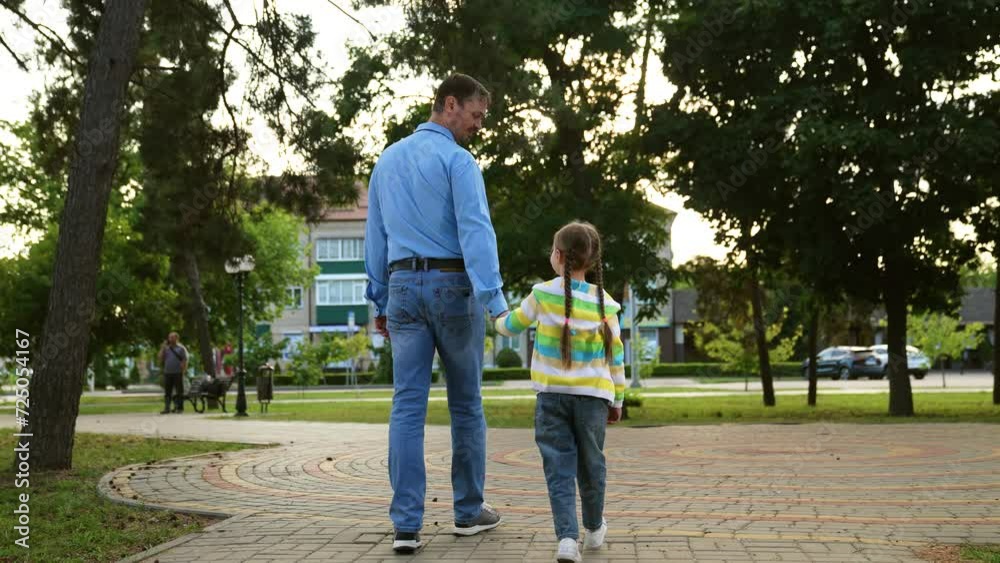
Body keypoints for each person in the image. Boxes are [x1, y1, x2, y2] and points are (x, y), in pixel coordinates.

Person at [364, 73, 508, 554]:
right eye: (475, 115)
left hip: (403, 285)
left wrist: (380, 297)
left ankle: (406, 524)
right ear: (450, 104)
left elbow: (376, 237)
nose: (477, 126)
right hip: (452, 286)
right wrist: (495, 300)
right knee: (465, 403)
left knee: (407, 404)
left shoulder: (386, 160)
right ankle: (468, 513)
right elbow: (476, 230)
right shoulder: (458, 161)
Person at [495, 221, 625, 563]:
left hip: (551, 397)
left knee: (559, 467)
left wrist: (494, 314)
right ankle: (594, 528)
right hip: (595, 399)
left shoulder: (541, 294)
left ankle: (567, 540)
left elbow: (509, 327)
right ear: (592, 259)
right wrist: (619, 399)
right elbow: (617, 356)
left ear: (557, 255)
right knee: (592, 464)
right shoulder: (606, 304)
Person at [157, 332, 189, 414]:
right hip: (168, 372)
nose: (170, 339)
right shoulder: (166, 349)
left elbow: (184, 360)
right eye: (169, 337)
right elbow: (160, 358)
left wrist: (183, 370)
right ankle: (167, 408)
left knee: (179, 391)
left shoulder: (181, 349)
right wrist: (162, 348)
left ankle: (180, 408)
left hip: (178, 372)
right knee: (167, 392)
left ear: (176, 338)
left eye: (172, 337)